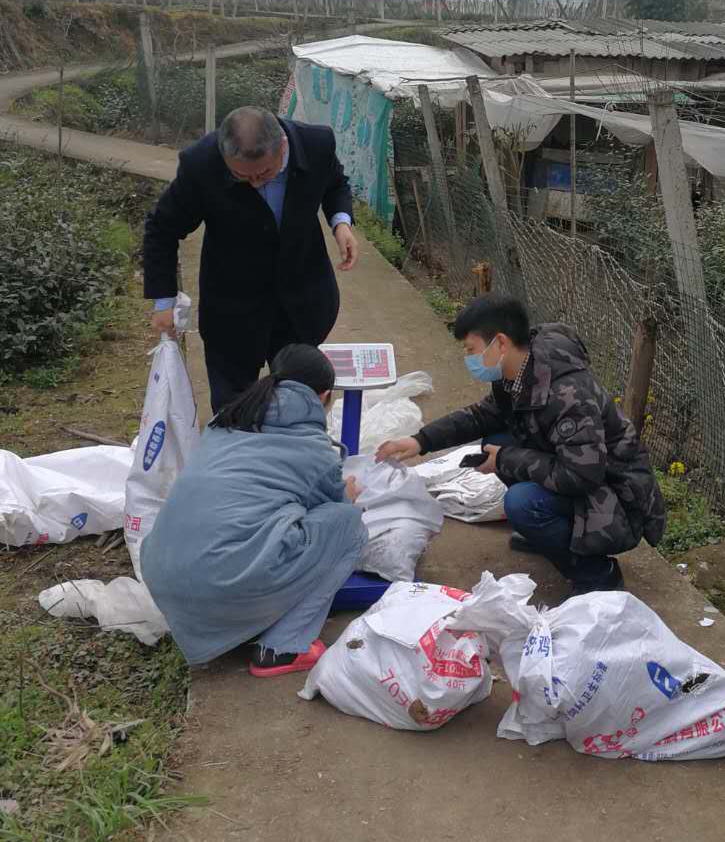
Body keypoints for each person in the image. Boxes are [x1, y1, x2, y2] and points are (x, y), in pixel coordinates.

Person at [376, 295, 666, 594]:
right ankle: (551, 537)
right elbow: (483, 416)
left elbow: (581, 475)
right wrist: (420, 440)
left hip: (617, 496)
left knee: (522, 503)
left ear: (500, 343)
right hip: (582, 471)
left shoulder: (567, 394)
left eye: (472, 350)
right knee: (495, 440)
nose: (469, 359)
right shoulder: (519, 370)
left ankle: (597, 572)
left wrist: (504, 460)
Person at [140, 344, 368, 677]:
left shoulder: (227, 420)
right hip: (222, 581)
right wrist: (346, 495)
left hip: (162, 575)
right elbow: (330, 511)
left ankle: (235, 621)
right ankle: (282, 648)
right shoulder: (314, 449)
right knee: (349, 526)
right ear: (325, 397)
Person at [143, 106, 358, 414]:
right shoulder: (201, 164)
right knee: (233, 408)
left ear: (282, 146)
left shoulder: (315, 144)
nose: (256, 183)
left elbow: (335, 183)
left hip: (302, 300)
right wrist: (163, 302)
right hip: (233, 307)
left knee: (299, 403)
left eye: (265, 174)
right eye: (242, 176)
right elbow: (162, 228)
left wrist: (341, 222)